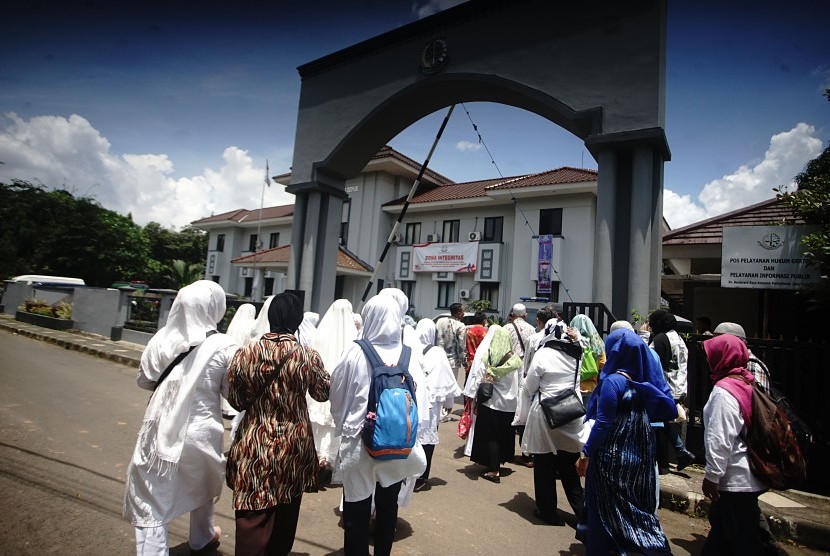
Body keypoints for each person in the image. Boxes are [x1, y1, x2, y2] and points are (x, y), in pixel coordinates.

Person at [123, 280, 239, 555]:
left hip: (160, 428)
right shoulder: (225, 346)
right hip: (201, 430)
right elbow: (231, 392)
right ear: (216, 307)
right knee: (202, 482)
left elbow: (145, 380)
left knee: (151, 495)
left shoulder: (160, 339)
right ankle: (202, 537)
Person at [225, 292, 330, 556]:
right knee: (286, 511)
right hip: (294, 446)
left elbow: (236, 401)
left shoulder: (246, 353)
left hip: (254, 442)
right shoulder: (307, 356)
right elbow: (322, 393)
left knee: (252, 512)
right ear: (297, 319)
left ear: (271, 316)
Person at [329, 293, 427, 556]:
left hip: (359, 441)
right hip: (396, 441)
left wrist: (342, 424)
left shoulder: (354, 351)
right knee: (388, 503)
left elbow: (336, 397)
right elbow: (419, 400)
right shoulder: (408, 354)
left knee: (357, 509)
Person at [576, 328, 677, 555]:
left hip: (611, 460)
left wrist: (585, 454)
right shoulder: (644, 383)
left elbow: (603, 423)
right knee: (635, 510)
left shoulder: (613, 382)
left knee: (604, 509)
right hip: (640, 459)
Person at [701, 333, 767, 555]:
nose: (708, 359)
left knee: (741, 541)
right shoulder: (746, 382)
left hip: (735, 478)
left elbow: (720, 439)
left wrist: (712, 476)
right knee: (724, 534)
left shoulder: (724, 391)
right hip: (748, 474)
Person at [519, 319, 585, 525]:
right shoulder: (577, 353)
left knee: (544, 465)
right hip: (572, 412)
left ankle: (547, 512)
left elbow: (530, 387)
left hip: (546, 414)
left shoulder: (544, 354)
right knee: (569, 468)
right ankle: (584, 514)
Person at [463, 324, 523, 483]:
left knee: (491, 435)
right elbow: (520, 382)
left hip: (492, 402)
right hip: (510, 404)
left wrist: (474, 399)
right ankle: (501, 461)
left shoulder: (488, 358)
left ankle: (494, 469)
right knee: (504, 434)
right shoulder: (515, 359)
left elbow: (479, 379)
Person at [310, 299, 358, 485]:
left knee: (317, 428)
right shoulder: (353, 338)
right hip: (339, 391)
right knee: (333, 430)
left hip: (317, 391)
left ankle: (315, 459)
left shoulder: (318, 334)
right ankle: (328, 461)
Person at [414, 318, 462, 491]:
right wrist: (449, 402)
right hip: (431, 404)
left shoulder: (408, 349)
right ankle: (420, 476)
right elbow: (447, 378)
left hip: (411, 401)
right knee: (426, 441)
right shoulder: (437, 352)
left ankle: (404, 474)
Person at [648, 309, 695, 472]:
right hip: (678, 386)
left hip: (664, 387)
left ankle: (663, 464)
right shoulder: (679, 338)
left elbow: (653, 362)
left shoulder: (661, 339)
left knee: (659, 425)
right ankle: (681, 452)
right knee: (665, 423)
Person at [222, 303, 257, 420]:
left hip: (229, 358)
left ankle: (227, 408)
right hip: (243, 358)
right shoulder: (251, 326)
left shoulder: (233, 325)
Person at [713, 321, 771, 392]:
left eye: (719, 341)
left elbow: (757, 400)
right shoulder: (731, 363)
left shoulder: (753, 365)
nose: (714, 346)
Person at [569, 314, 605, 409]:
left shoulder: (570, 341)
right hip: (591, 387)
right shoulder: (598, 343)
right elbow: (603, 364)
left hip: (572, 386)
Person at [436, 302, 467, 384]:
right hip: (452, 362)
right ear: (459, 313)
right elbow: (461, 346)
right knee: (450, 386)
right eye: (463, 311)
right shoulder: (460, 326)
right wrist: (464, 362)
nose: (464, 313)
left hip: (439, 359)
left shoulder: (440, 321)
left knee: (439, 384)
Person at [465, 311, 488, 381]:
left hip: (470, 362)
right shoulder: (486, 333)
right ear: (484, 321)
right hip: (482, 362)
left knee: (468, 382)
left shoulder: (469, 332)